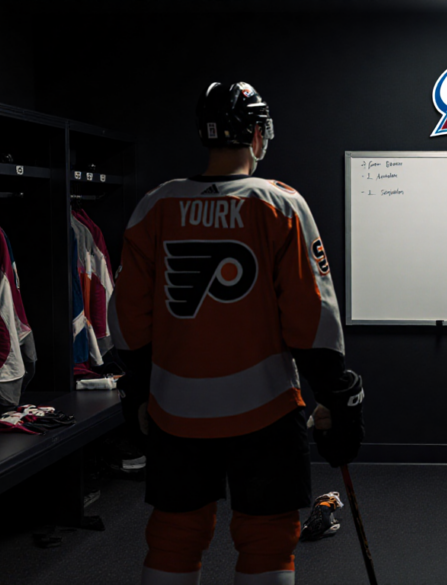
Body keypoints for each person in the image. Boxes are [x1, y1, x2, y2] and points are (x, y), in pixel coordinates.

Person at [109, 81, 365, 585]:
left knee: (174, 533)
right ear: (255, 133)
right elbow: (311, 312)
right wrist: (335, 392)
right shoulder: (280, 203)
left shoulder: (156, 204)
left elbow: (127, 315)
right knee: (268, 537)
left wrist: (137, 386)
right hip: (264, 406)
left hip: (174, 405)